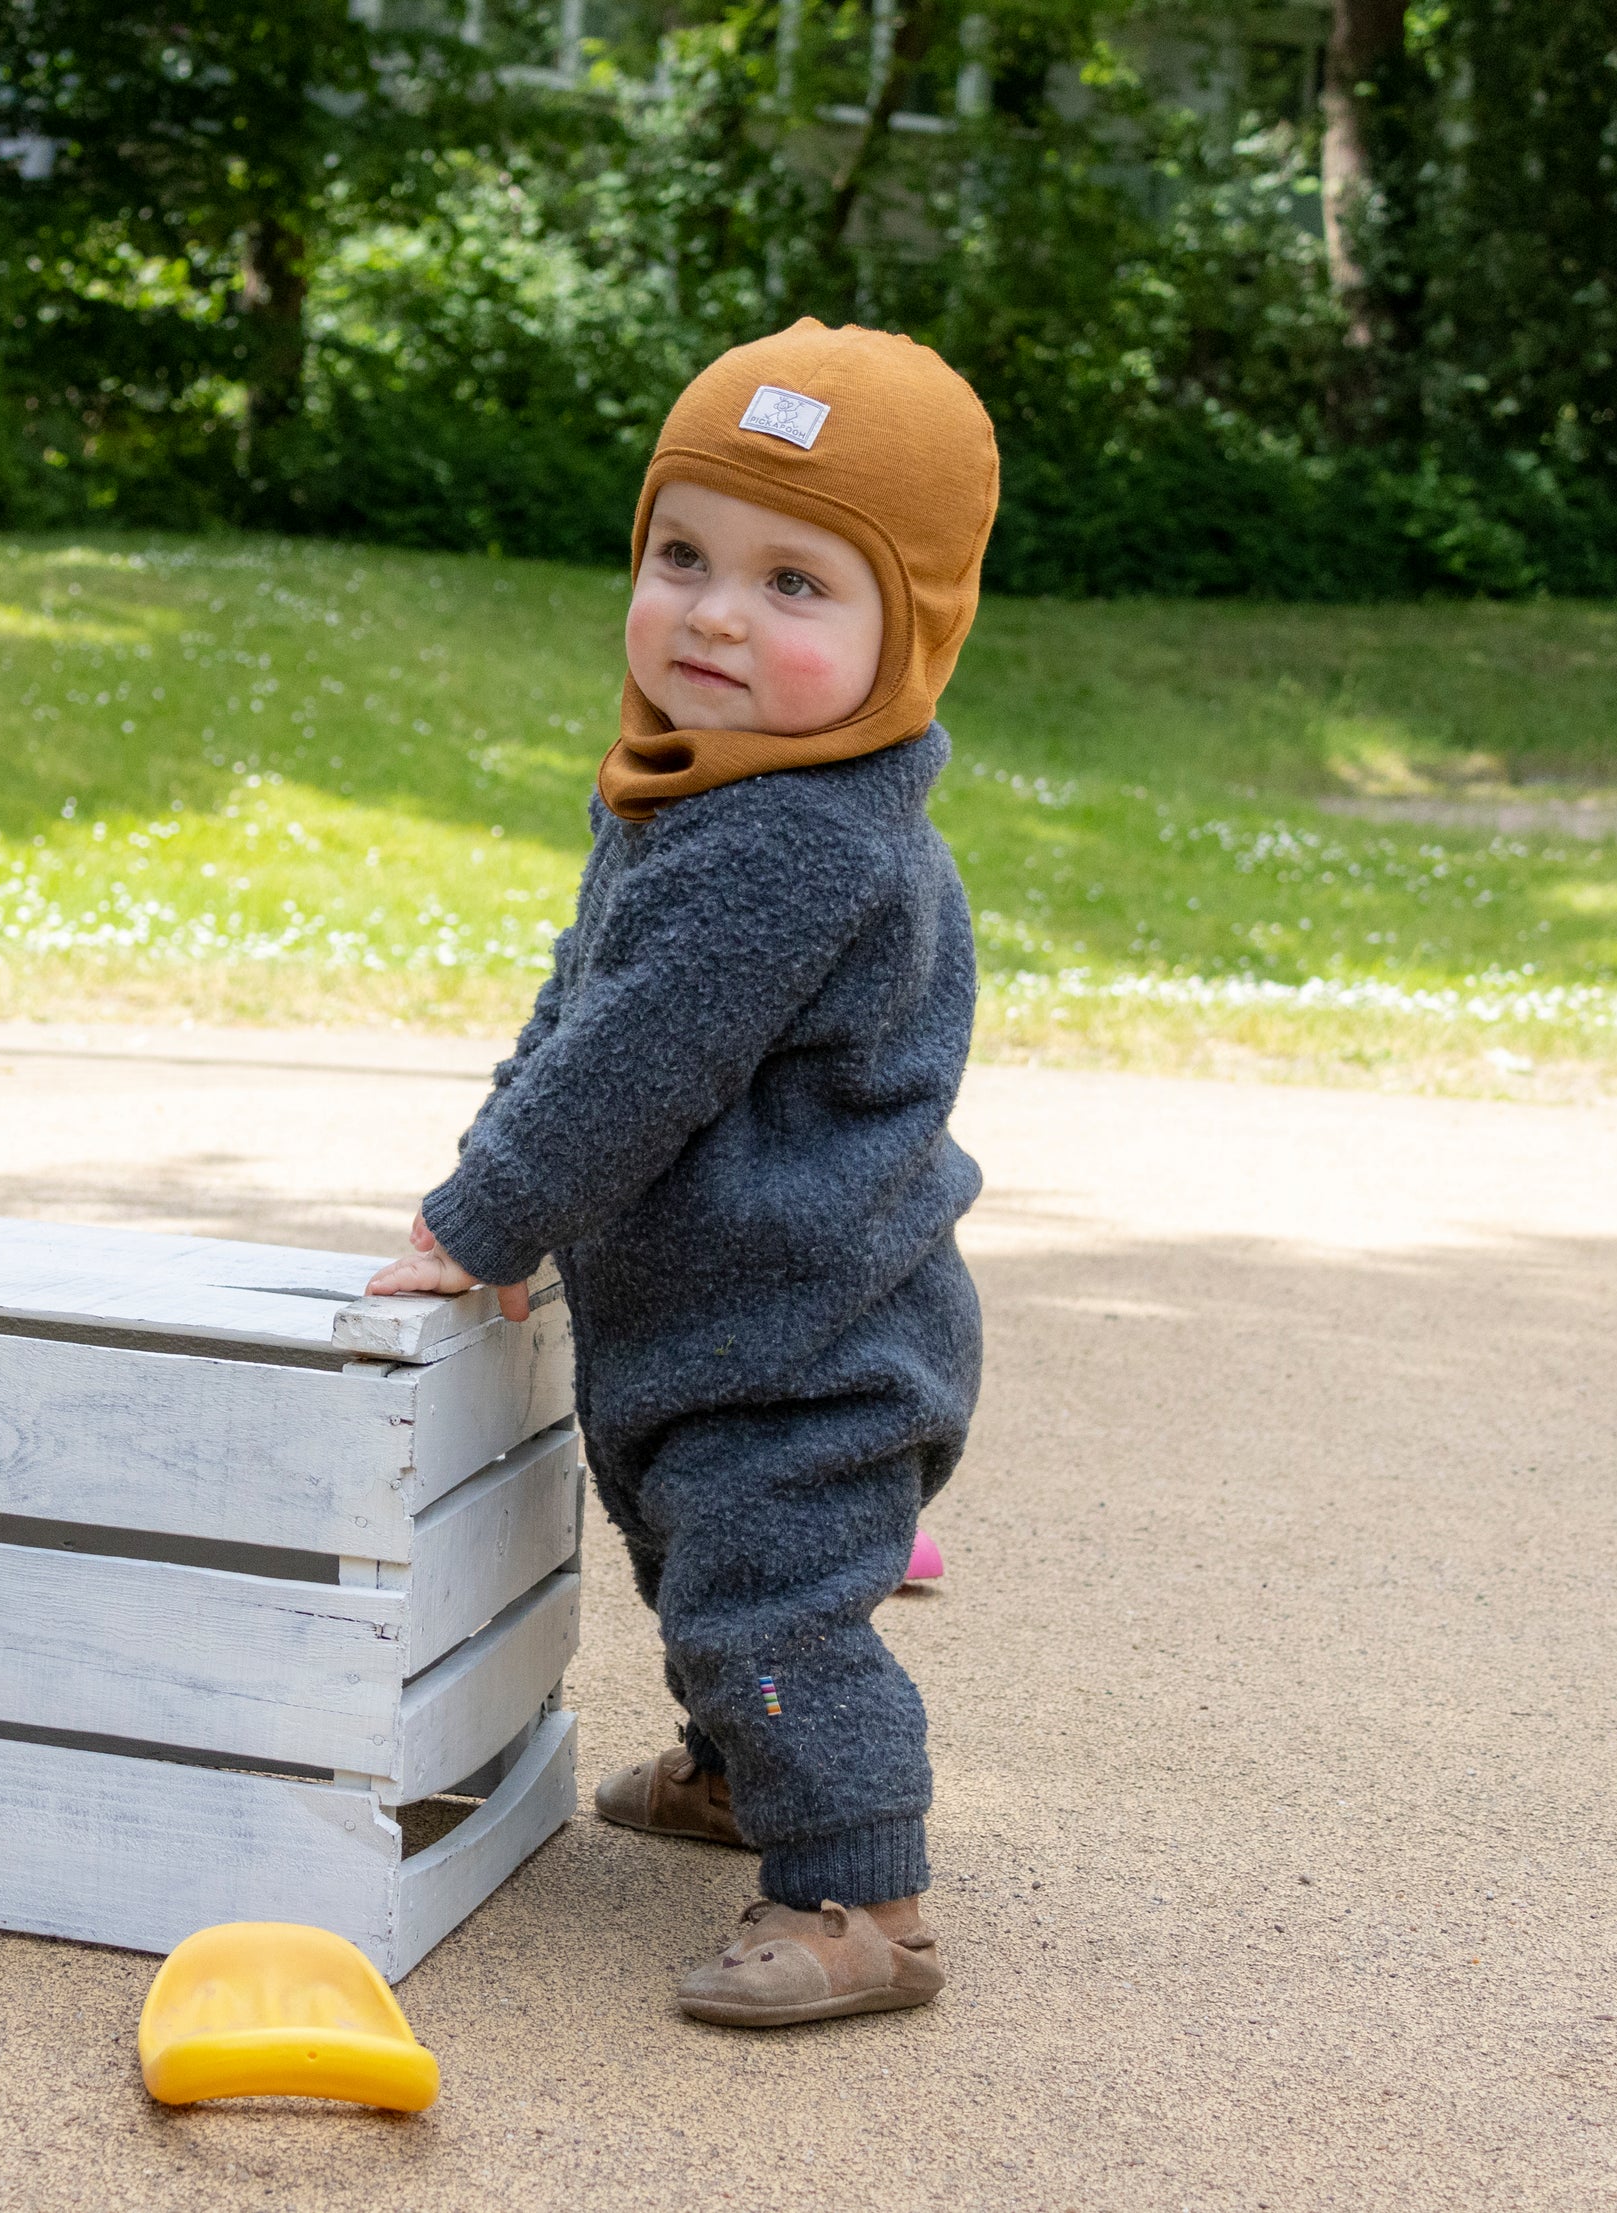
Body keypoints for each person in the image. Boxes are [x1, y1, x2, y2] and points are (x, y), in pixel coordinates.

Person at [367, 319, 998, 2028]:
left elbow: (645, 1064)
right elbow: (580, 1013)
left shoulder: (800, 839)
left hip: (810, 1339)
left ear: (907, 639)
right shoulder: (688, 790)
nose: (714, 612)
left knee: (769, 1594)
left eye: (798, 585)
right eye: (683, 555)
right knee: (693, 1561)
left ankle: (865, 1896)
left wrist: (489, 1212)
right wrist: (485, 1188)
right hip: (718, 1319)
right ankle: (743, 1775)